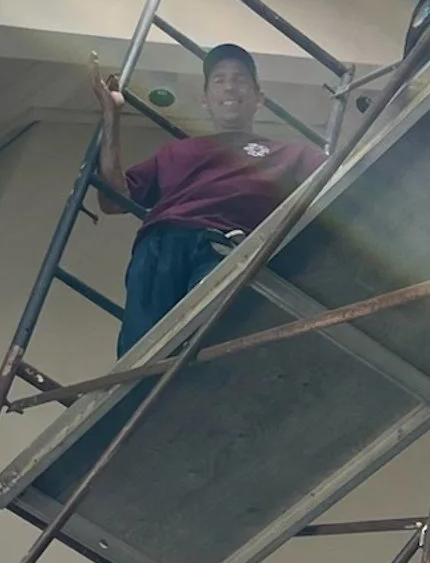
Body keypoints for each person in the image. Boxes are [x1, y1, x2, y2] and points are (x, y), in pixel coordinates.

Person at [91, 42, 322, 355]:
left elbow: (348, 177)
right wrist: (111, 117)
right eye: (219, 79)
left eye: (240, 79)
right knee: (140, 355)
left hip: (224, 248)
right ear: (205, 99)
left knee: (209, 345)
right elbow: (113, 201)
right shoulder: (176, 152)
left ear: (259, 98)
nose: (229, 86)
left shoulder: (290, 153)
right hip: (157, 250)